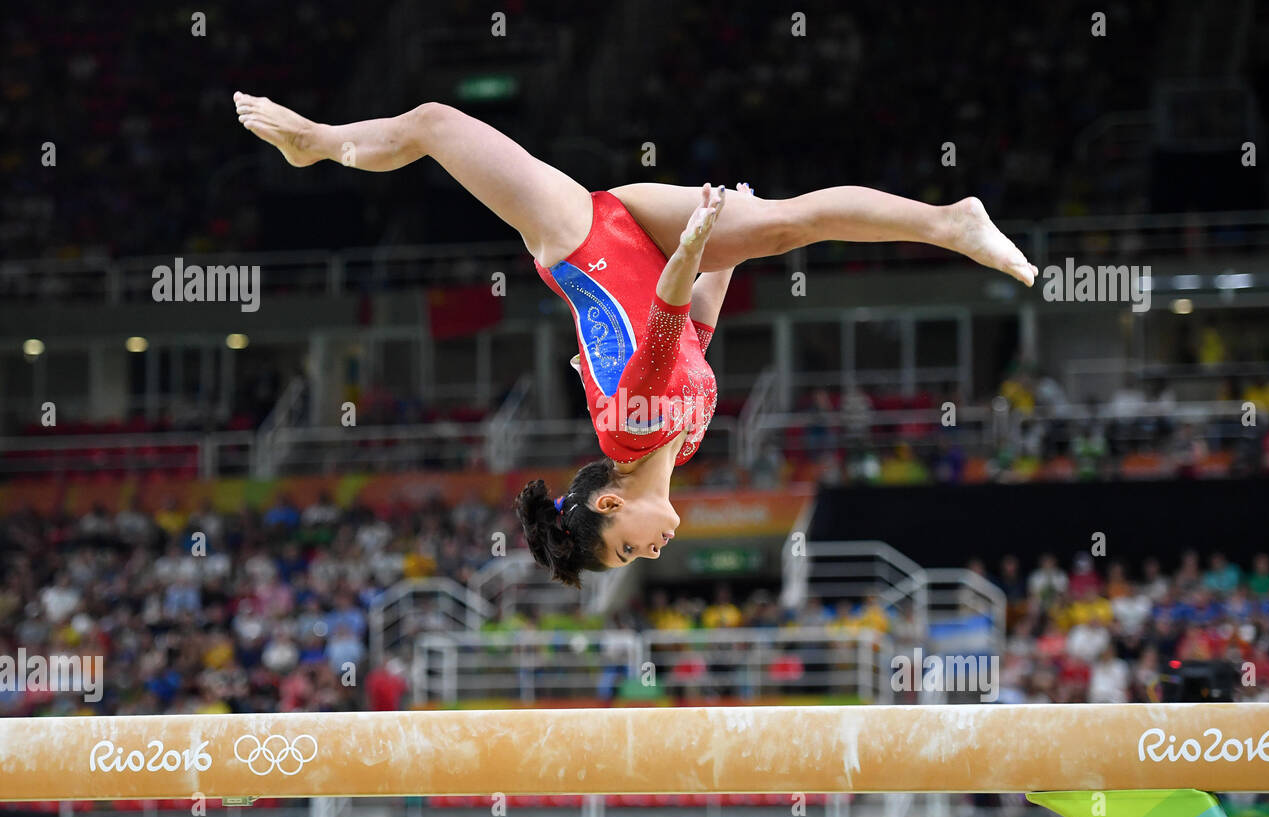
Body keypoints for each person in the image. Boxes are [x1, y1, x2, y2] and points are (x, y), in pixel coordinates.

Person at [234, 93, 1037, 586]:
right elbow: (696, 333)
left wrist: (696, 251)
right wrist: (724, 246)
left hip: (582, 238)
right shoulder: (681, 446)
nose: (647, 554)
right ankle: (951, 221)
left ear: (610, 503)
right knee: (789, 224)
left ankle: (317, 141)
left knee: (440, 123)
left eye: (624, 551)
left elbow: (659, 326)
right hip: (656, 245)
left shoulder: (631, 431)